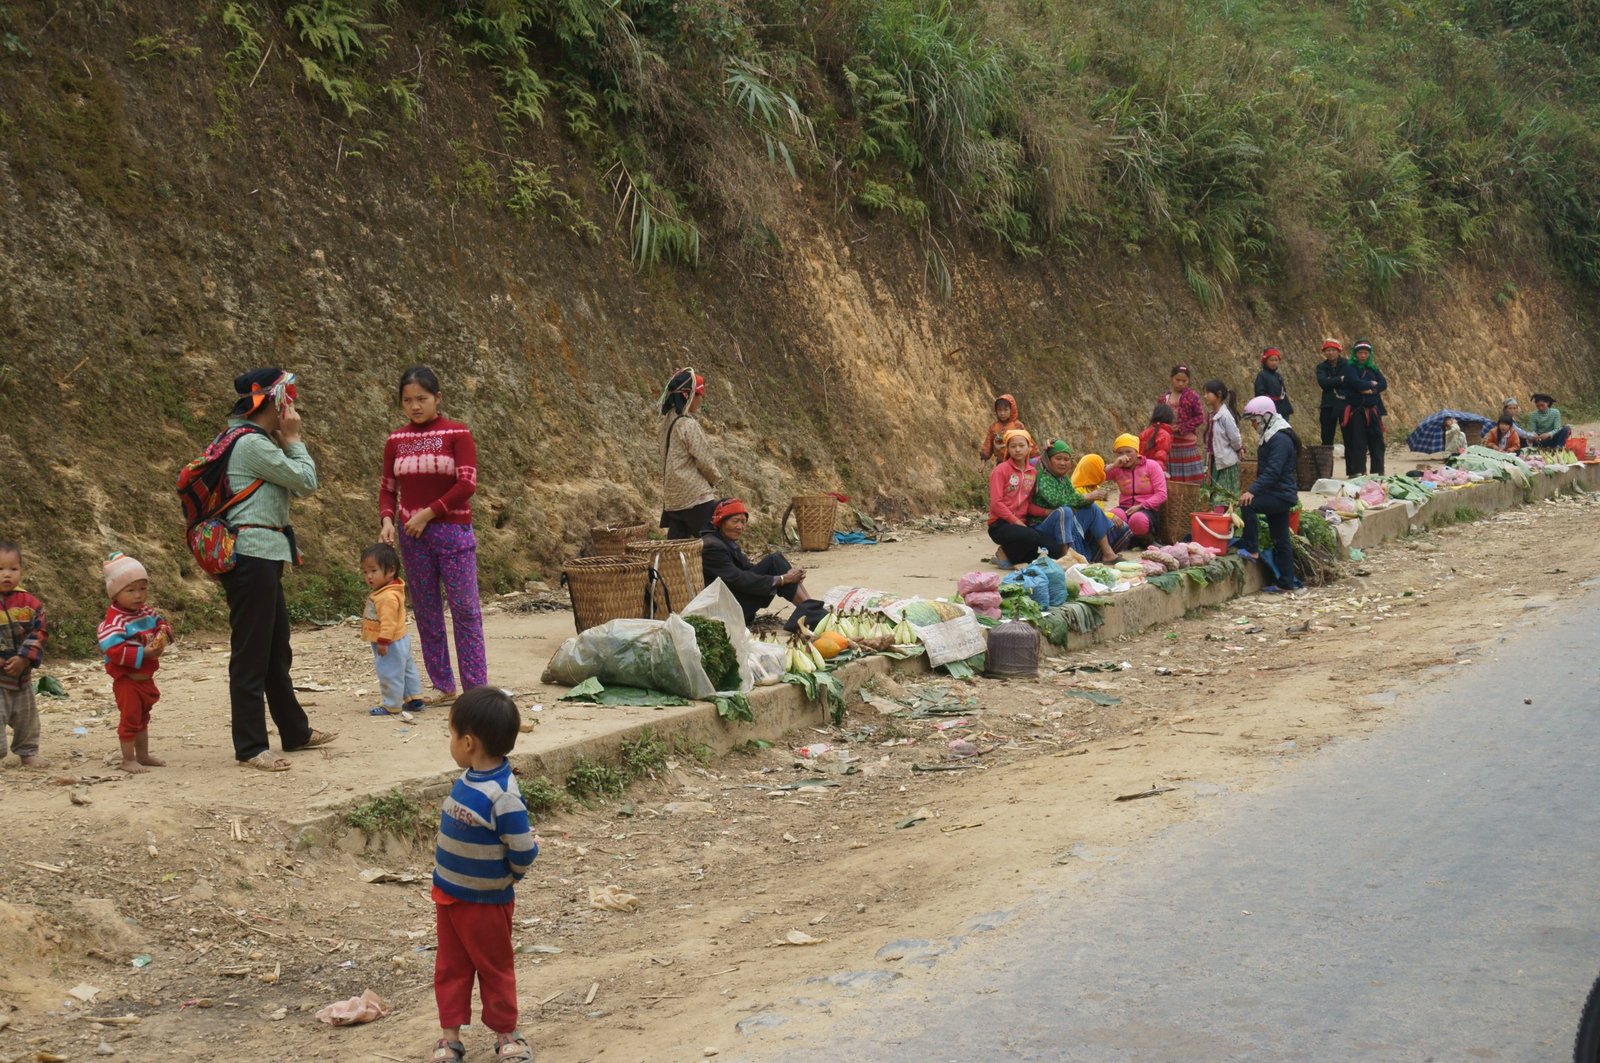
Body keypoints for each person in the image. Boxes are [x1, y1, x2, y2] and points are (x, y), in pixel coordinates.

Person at [219, 369, 336, 771]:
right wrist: (296, 441)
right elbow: (305, 481)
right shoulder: (251, 444)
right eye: (289, 397)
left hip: (264, 554)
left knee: (274, 647)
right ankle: (251, 746)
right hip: (253, 555)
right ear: (274, 401)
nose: (293, 405)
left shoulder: (248, 440)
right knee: (253, 652)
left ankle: (294, 730)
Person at [430, 687, 537, 1063]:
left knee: (494, 968)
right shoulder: (470, 778)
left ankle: (507, 1034)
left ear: (469, 741)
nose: (452, 742)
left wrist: (509, 877)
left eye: (452, 735)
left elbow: (523, 848)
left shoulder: (503, 794)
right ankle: (449, 1038)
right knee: (450, 967)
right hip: (449, 897)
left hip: (486, 902)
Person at [379, 366, 487, 705]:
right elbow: (387, 489)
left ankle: (476, 688)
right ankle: (444, 685)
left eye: (422, 399)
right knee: (427, 612)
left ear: (438, 398)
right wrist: (387, 520)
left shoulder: (458, 433)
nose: (415, 406)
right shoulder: (395, 440)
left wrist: (427, 513)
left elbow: (466, 484)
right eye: (407, 401)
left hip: (452, 532)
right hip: (413, 538)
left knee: (465, 609)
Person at [98, 552, 173, 774]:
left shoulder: (146, 612)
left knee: (143, 718)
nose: (138, 595)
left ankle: (143, 755)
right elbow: (113, 649)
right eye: (130, 590)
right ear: (115, 594)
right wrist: (145, 653)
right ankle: (128, 759)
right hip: (128, 682)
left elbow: (161, 623)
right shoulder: (114, 620)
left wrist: (163, 632)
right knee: (130, 720)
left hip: (146, 679)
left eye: (143, 588)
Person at [700, 498, 825, 630]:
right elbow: (737, 579)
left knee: (776, 561)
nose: (740, 527)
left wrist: (788, 576)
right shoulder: (712, 547)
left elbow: (747, 569)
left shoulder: (725, 541)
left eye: (743, 522)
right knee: (774, 563)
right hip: (728, 610)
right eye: (735, 521)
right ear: (721, 522)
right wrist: (782, 579)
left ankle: (815, 612)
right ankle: (815, 614)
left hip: (736, 599)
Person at [1235, 397, 1303, 594]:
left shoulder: (1280, 439)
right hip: (1279, 493)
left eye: (1255, 420)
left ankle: (1252, 549)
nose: (1254, 424)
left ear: (1266, 417)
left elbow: (1273, 472)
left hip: (1281, 494)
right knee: (1280, 539)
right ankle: (1286, 583)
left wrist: (1252, 491)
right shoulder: (1271, 435)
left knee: (1248, 504)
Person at [1028, 439, 1125, 561]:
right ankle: (1066, 556)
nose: (1063, 463)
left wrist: (1089, 499)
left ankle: (1108, 553)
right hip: (1043, 526)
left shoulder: (1064, 479)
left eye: (1066, 459)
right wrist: (1087, 497)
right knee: (1065, 511)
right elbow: (1056, 500)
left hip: (1063, 523)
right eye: (1058, 459)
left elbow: (1075, 500)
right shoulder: (1043, 476)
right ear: (1048, 459)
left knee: (1092, 507)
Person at [359, 543, 424, 718]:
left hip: (390, 642)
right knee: (407, 668)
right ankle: (414, 699)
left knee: (389, 672)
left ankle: (392, 705)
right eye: (365, 572)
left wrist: (383, 640)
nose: (369, 576)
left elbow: (388, 622)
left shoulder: (386, 596)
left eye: (373, 571)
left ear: (391, 571)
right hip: (401, 639)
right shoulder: (393, 589)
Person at [657, 367, 722, 539]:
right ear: (688, 395)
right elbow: (704, 460)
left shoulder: (665, 422)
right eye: (699, 395)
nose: (701, 399)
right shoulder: (687, 424)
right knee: (713, 543)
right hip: (695, 497)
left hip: (673, 498)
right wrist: (716, 479)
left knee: (677, 551)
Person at [0, 539, 46, 768]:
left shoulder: (30, 603)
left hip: (22, 678)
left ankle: (27, 752)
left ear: (21, 570)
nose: (6, 574)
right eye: (0, 569)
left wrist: (24, 658)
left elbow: (39, 631)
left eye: (13, 569)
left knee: (27, 719)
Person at [987, 429, 1052, 566]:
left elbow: (1028, 504)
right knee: (1031, 537)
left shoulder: (1032, 472)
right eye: (1013, 446)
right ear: (1008, 449)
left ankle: (1012, 556)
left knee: (1050, 548)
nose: (1017, 449)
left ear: (1029, 447)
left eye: (1021, 446)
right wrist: (1016, 522)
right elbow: (996, 504)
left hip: (1022, 523)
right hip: (1000, 524)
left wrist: (1047, 512)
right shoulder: (1000, 470)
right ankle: (1003, 552)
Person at [1107, 433, 1168, 543]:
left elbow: (1161, 494)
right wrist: (1113, 465)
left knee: (1137, 520)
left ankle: (1146, 540)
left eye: (1129, 452)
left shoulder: (1151, 466)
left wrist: (1141, 506)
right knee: (1112, 517)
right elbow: (1096, 476)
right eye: (1120, 453)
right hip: (1124, 507)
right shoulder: (1117, 469)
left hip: (1147, 509)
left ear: (1137, 451)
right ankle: (1125, 541)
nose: (1125, 456)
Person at [1341, 340, 1387, 476]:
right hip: (1357, 410)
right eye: (1360, 353)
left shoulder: (1373, 368)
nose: (1363, 356)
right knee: (1358, 441)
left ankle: (1378, 471)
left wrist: (1372, 390)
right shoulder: (1350, 368)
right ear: (1355, 354)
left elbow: (1383, 383)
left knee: (1377, 440)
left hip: (1373, 409)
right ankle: (1358, 471)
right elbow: (1355, 383)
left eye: (1366, 353)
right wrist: (1371, 383)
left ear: (1369, 354)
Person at [1159, 367, 1207, 483]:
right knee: (1171, 480)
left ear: (1188, 381)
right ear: (1171, 378)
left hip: (1187, 444)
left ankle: (1189, 499)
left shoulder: (1192, 396)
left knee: (1191, 481)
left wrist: (1181, 428)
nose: (1180, 383)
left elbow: (1200, 417)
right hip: (1169, 443)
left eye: (1184, 381)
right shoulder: (1164, 398)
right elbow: (1158, 417)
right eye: (1177, 380)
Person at [1203, 380, 1244, 502]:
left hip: (1226, 464)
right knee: (1216, 496)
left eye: (1207, 393)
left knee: (1224, 499)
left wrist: (1238, 448)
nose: (1205, 396)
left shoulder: (1225, 416)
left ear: (1219, 394)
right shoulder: (1212, 415)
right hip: (1216, 461)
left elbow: (1235, 437)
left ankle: (1223, 520)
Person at [979, 394, 1035, 465]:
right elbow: (988, 444)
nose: (1002, 413)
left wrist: (1034, 457)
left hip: (1017, 461)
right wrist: (983, 461)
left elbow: (1028, 441)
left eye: (1005, 410)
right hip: (1001, 462)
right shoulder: (994, 427)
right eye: (999, 410)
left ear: (1012, 410)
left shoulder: (1017, 426)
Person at [1315, 339, 1347, 446]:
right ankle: (1326, 461)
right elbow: (1323, 383)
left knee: (1349, 435)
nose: (1330, 353)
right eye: (1327, 350)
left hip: (1345, 403)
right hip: (1328, 404)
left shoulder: (1347, 364)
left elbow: (1350, 381)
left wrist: (1332, 381)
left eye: (1333, 350)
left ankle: (1352, 461)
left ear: (1338, 351)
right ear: (1324, 352)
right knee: (1326, 436)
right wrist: (1340, 379)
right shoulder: (1321, 367)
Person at [1254, 347, 1293, 419]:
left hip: (1282, 411)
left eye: (1276, 360)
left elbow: (1283, 392)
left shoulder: (1278, 376)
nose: (1274, 363)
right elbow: (1259, 394)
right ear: (1265, 361)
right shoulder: (1262, 375)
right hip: (1270, 412)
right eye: (1271, 360)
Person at [1139, 404, 1175, 469]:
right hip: (1154, 469)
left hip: (1141, 467)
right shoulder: (1165, 435)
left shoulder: (1144, 432)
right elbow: (1161, 456)